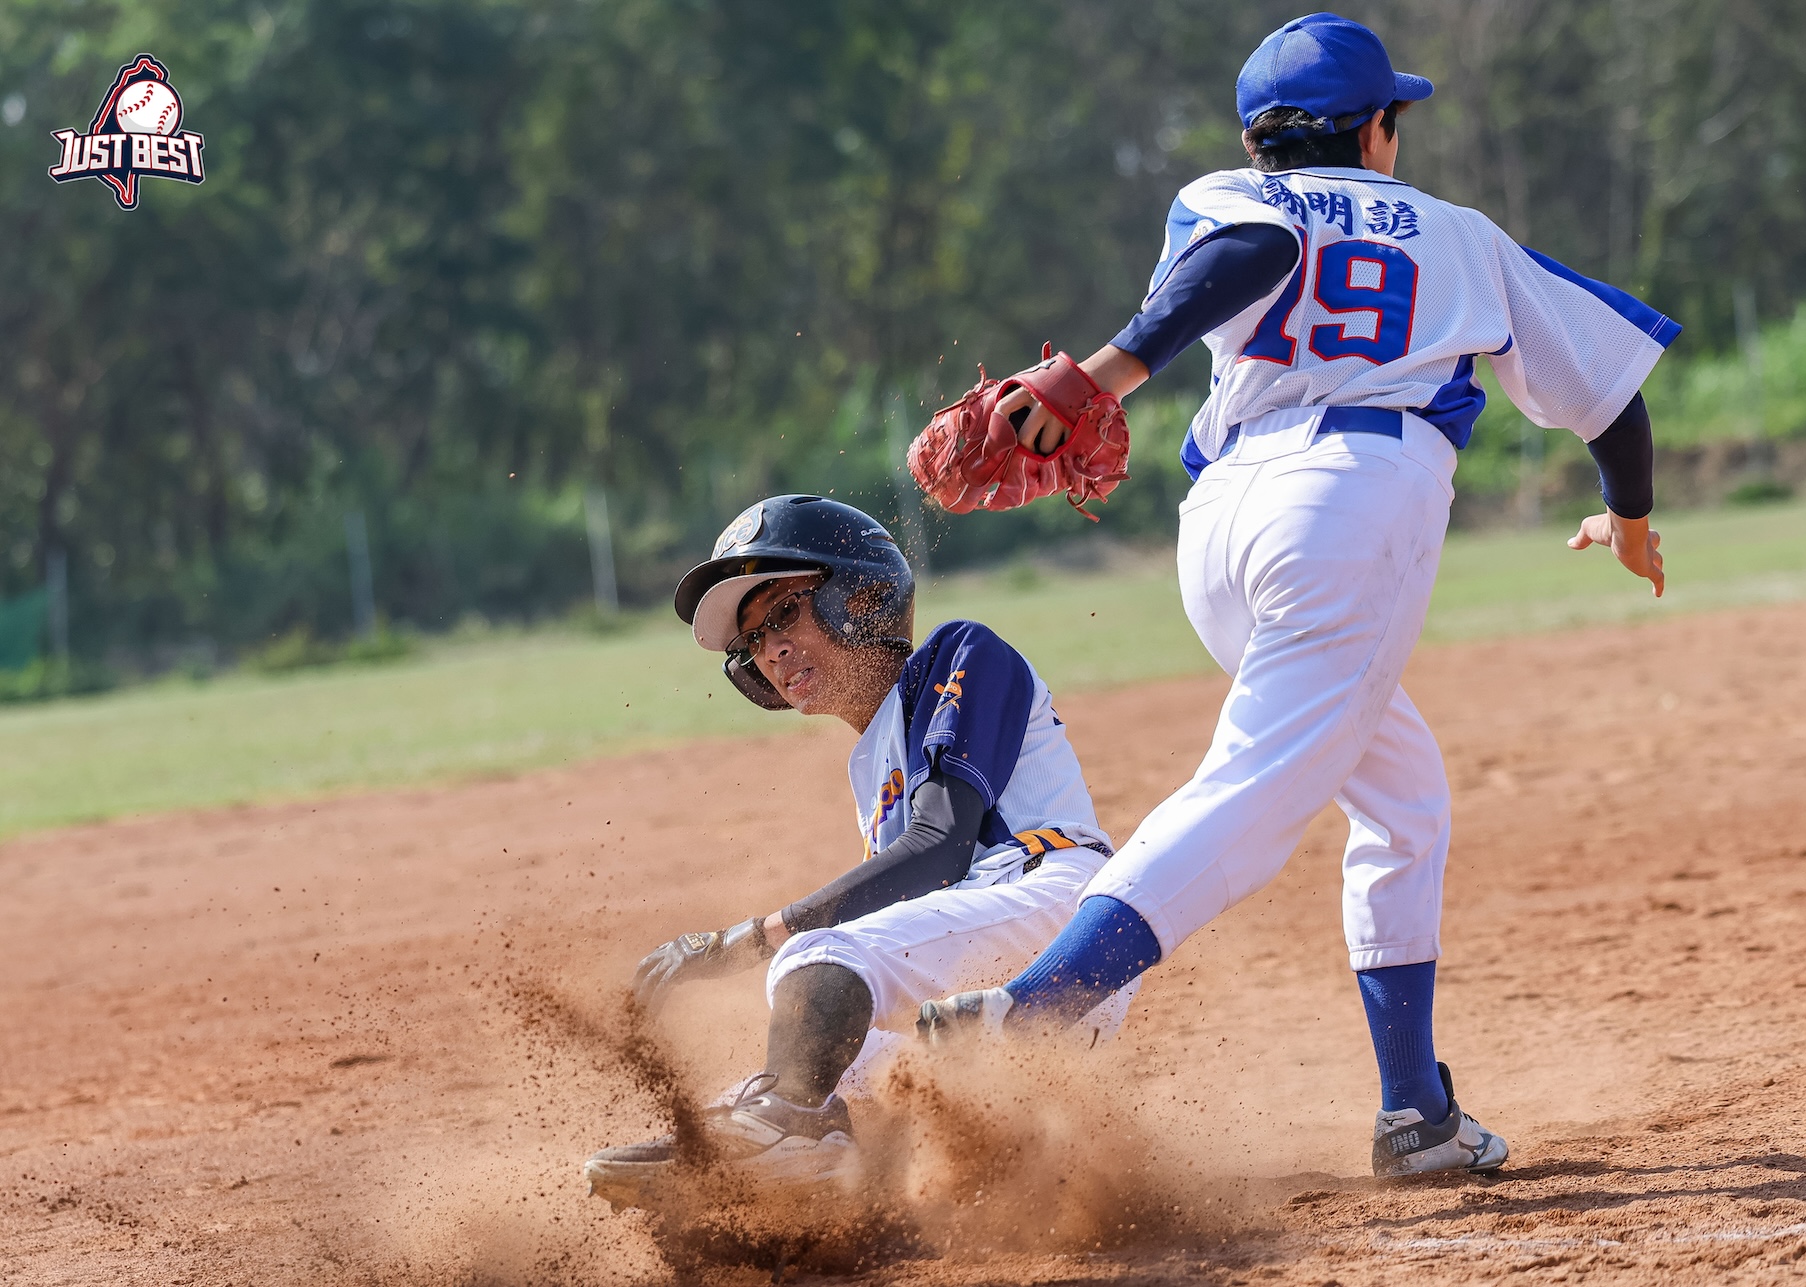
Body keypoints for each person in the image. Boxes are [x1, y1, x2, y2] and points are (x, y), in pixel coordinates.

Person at [914, 12, 1678, 1178]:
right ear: (1377, 129)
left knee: (1403, 802)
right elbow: (1609, 400)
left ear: (1254, 137)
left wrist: (1102, 371)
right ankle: (1036, 1004)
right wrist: (1626, 517)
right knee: (1254, 790)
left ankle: (1415, 1115)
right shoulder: (1460, 235)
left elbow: (1256, 256)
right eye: (1392, 121)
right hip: (1350, 506)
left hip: (1223, 527)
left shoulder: (1217, 195)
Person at [583, 494, 1131, 1208]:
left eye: (783, 613)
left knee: (813, 962)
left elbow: (939, 846)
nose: (770, 650)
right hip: (998, 1000)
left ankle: (791, 1133)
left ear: (861, 595)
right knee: (820, 1069)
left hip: (1062, 909)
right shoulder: (870, 765)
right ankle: (821, 1195)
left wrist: (744, 938)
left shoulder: (962, 653)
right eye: (752, 642)